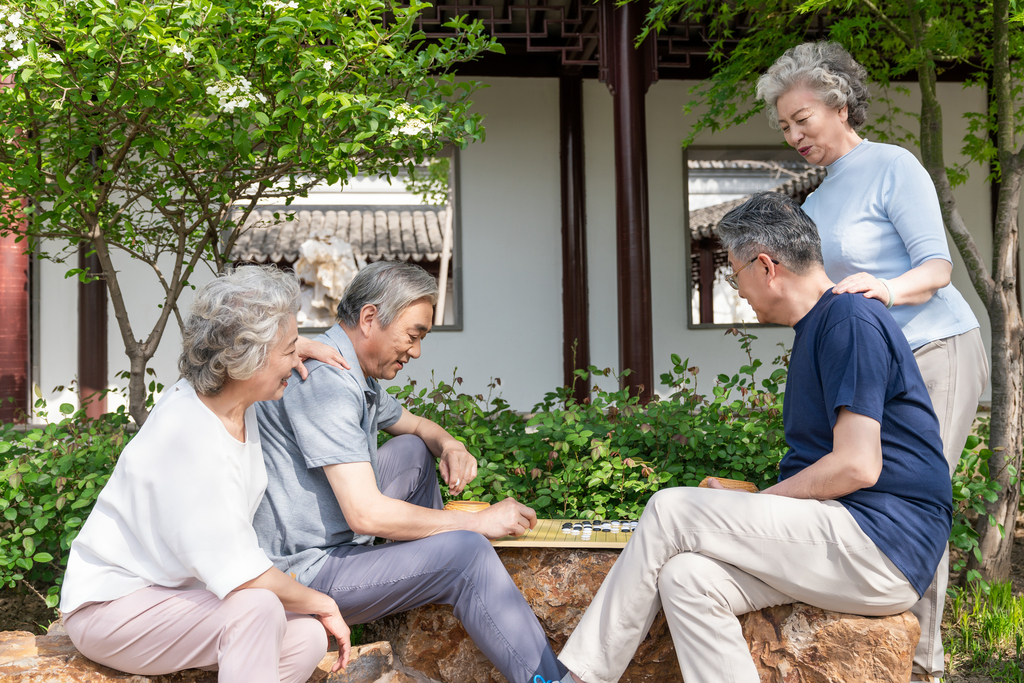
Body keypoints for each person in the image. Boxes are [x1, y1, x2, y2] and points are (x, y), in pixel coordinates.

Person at [556, 192, 952, 683]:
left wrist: (760, 502)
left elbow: (858, 465)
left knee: (669, 509)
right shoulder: (820, 326)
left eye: (733, 271)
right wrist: (747, 509)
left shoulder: (849, 322)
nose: (735, 287)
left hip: (882, 542)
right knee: (688, 580)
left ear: (765, 266)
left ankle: (576, 679)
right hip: (848, 538)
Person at [755, 42, 987, 682]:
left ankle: (920, 661)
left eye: (803, 118)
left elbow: (937, 269)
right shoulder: (819, 199)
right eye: (784, 126)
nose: (794, 134)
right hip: (869, 365)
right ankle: (875, 651)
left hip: (933, 348)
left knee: (908, 497)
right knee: (864, 492)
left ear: (839, 104)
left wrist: (883, 290)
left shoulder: (893, 165)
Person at [252, 260, 569, 683]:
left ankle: (430, 584)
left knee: (412, 450)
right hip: (306, 571)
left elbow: (417, 425)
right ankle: (551, 678)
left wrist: (450, 444)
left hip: (337, 546)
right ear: (370, 318)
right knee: (466, 552)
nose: (416, 351)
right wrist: (476, 523)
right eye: (413, 334)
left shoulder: (351, 371)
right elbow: (366, 516)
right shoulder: (326, 381)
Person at [60, 265, 354, 683]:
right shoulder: (186, 433)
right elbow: (244, 576)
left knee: (304, 636)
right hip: (111, 606)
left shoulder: (230, 400)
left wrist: (297, 346)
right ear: (246, 357)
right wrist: (323, 601)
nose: (295, 360)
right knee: (261, 607)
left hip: (177, 598)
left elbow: (233, 338)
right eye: (287, 350)